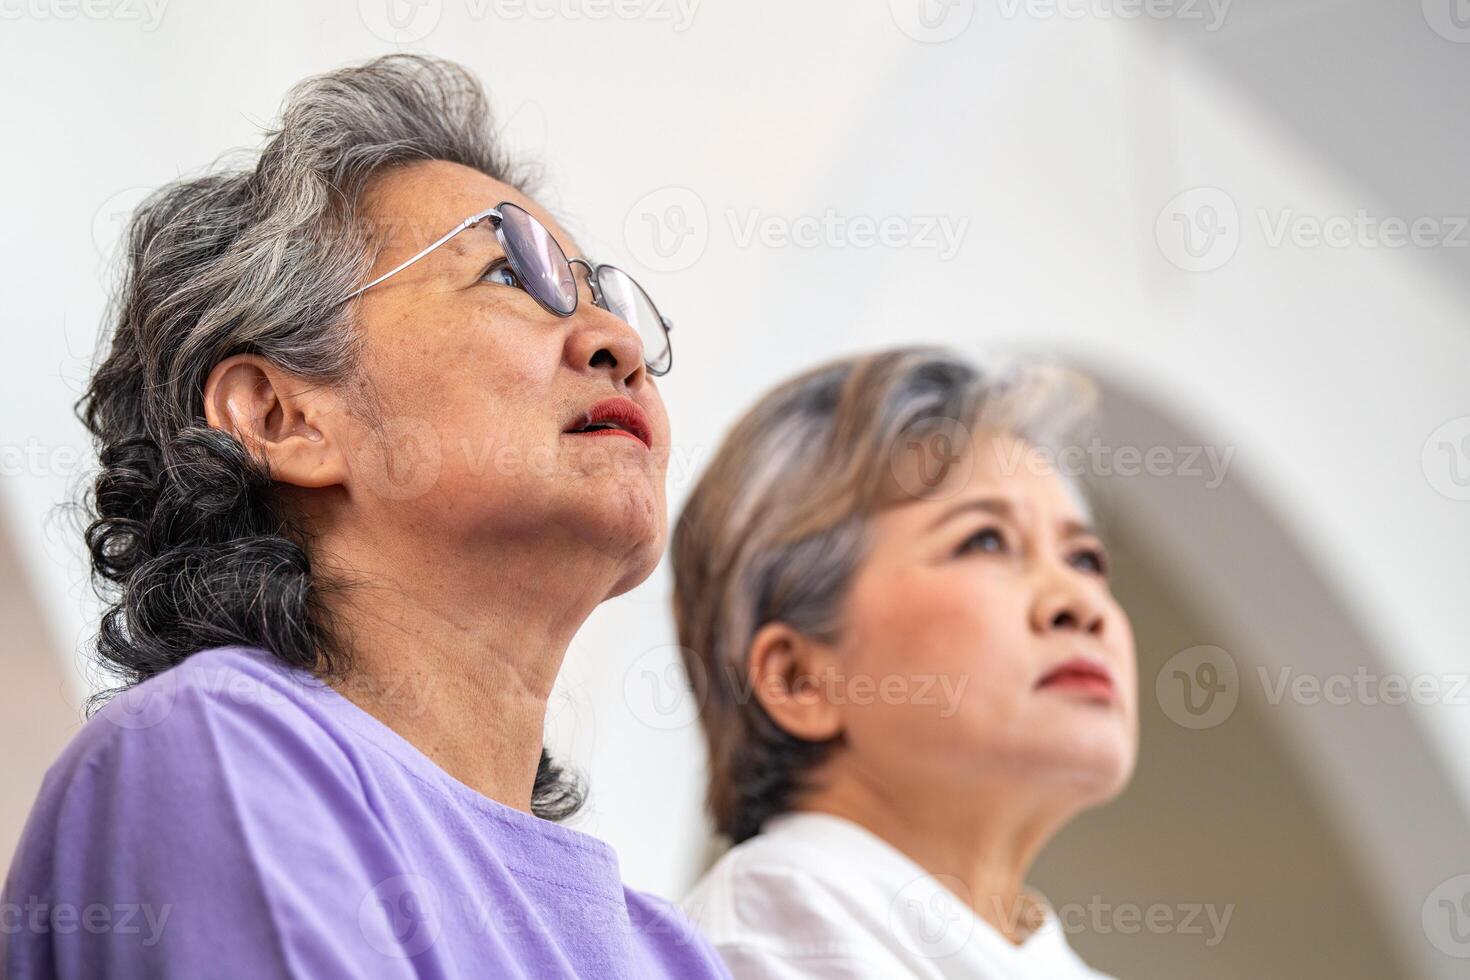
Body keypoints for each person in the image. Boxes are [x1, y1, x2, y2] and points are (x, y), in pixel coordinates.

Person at [3, 54, 727, 979]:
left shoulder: (667, 951)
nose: (619, 343)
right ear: (283, 417)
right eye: (511, 276)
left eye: (610, 301)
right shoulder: (216, 753)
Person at [672, 347, 1136, 978]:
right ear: (800, 680)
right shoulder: (767, 940)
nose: (1080, 603)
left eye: (1085, 558)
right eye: (986, 541)